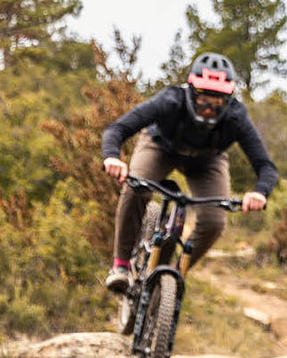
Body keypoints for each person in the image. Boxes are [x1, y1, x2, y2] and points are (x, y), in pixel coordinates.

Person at [100, 52, 276, 292]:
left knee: (214, 221)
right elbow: (118, 129)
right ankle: (120, 266)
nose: (209, 108)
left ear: (229, 99)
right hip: (160, 147)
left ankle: (174, 274)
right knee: (136, 188)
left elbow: (265, 166)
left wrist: (259, 193)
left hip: (207, 160)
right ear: (191, 91)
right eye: (204, 98)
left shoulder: (236, 117)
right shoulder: (170, 100)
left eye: (218, 101)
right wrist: (112, 157)